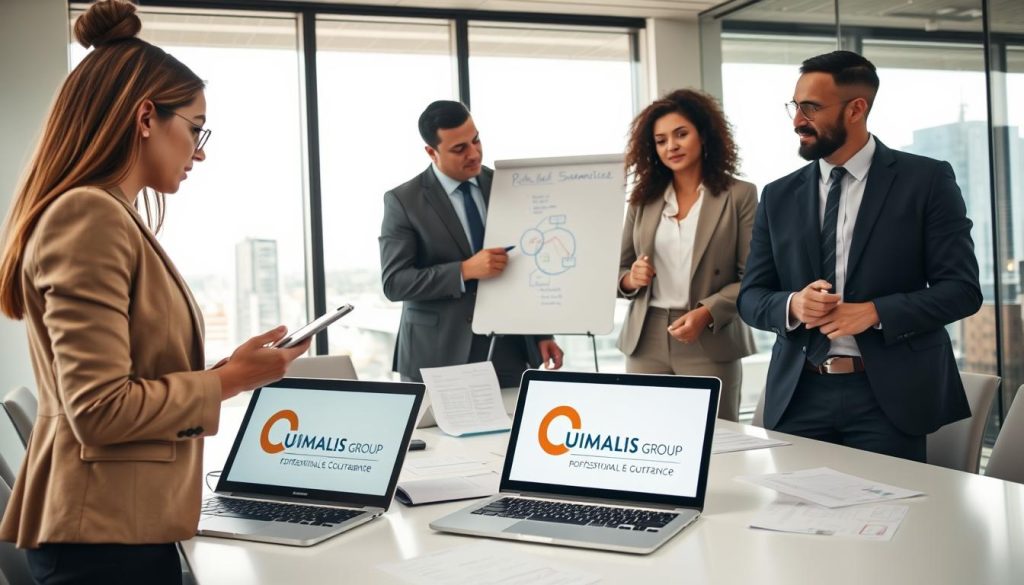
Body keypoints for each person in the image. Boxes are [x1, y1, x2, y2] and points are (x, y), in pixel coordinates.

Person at [0, 2, 310, 582]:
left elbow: (122, 378)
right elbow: (99, 409)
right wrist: (229, 382)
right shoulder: (88, 216)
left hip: (116, 526)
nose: (201, 150)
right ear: (146, 116)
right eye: (195, 128)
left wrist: (229, 370)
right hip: (103, 540)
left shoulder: (104, 212)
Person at [737, 50, 982, 461]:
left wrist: (874, 312)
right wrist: (793, 305)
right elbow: (750, 296)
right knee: (792, 505)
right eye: (795, 106)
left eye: (812, 107)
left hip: (889, 399)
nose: (798, 121)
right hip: (799, 395)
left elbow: (962, 291)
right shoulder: (777, 195)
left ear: (856, 109)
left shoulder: (926, 180)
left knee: (893, 505)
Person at [379, 100, 563, 388]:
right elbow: (395, 283)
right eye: (459, 149)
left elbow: (526, 263)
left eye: (476, 140)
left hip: (507, 351)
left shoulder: (507, 187)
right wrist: (464, 271)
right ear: (431, 152)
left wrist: (541, 334)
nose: (474, 153)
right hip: (437, 355)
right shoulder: (404, 201)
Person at [617, 89, 757, 421]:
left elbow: (754, 277)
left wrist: (707, 312)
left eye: (681, 134)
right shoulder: (642, 200)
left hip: (709, 335)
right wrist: (630, 279)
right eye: (661, 140)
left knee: (716, 439)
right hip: (645, 338)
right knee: (643, 435)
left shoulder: (740, 195)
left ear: (704, 135)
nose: (671, 146)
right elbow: (619, 268)